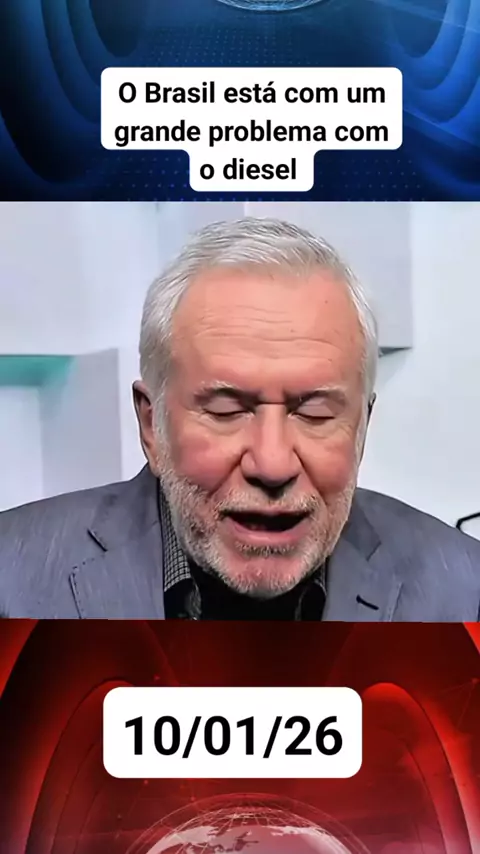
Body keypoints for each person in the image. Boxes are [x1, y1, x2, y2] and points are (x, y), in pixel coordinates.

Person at [1, 217, 479, 620]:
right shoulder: (13, 579)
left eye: (314, 413)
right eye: (226, 411)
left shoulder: (462, 591)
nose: (272, 464)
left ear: (362, 429)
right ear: (152, 426)